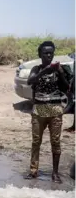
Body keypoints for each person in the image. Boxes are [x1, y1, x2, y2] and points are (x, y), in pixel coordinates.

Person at [25, 41, 69, 183]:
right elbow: (30, 81)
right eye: (45, 53)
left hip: (55, 111)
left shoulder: (60, 69)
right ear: (40, 54)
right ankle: (33, 171)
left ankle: (55, 173)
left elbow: (67, 88)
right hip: (39, 111)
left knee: (55, 142)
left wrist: (60, 73)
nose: (48, 56)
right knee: (36, 142)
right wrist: (45, 71)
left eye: (51, 53)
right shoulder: (36, 69)